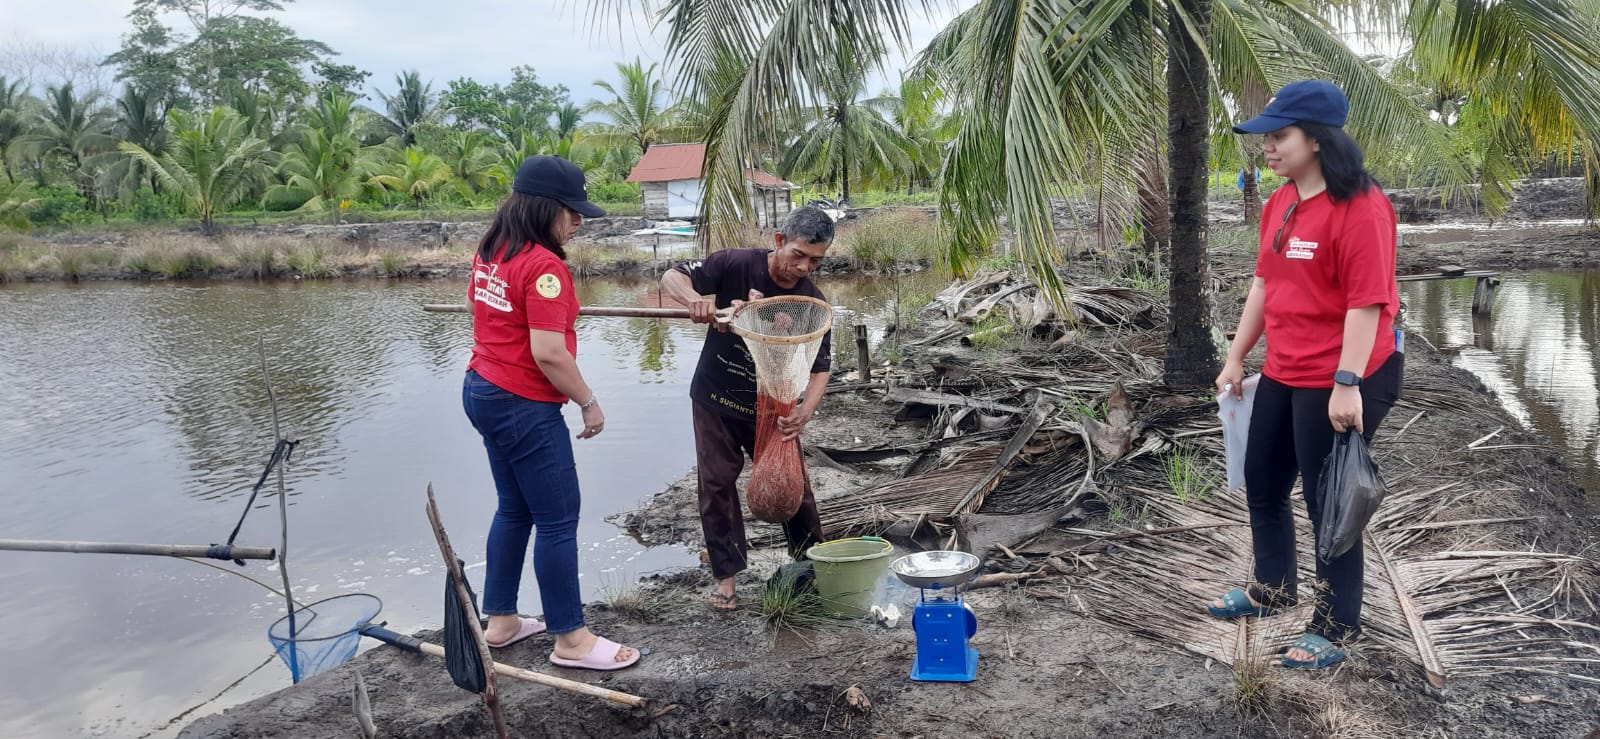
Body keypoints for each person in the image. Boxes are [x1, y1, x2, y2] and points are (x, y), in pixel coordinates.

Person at [1210, 80, 1404, 669]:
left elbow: (1367, 303)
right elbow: (1265, 286)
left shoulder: (1362, 207)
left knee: (1330, 502)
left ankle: (1337, 625)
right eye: (1265, 137)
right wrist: (1238, 355)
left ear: (1316, 138)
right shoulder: (1281, 203)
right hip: (1287, 368)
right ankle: (1271, 588)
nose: (1267, 148)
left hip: (1347, 372)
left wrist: (1347, 382)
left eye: (1279, 136)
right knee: (1263, 479)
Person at [461, 155, 639, 671]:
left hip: (482, 388)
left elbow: (478, 308)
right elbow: (549, 353)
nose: (579, 220)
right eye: (571, 210)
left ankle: (501, 622)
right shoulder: (544, 267)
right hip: (522, 403)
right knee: (558, 521)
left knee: (513, 509)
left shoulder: (493, 248)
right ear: (544, 208)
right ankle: (572, 639)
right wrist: (589, 402)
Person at [660, 207, 836, 611]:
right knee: (716, 484)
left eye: (815, 261)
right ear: (778, 241)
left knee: (795, 487)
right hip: (716, 398)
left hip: (773, 407)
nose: (804, 267)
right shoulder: (734, 263)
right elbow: (673, 274)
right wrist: (694, 301)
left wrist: (804, 412)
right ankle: (726, 579)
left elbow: (821, 368)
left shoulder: (810, 299)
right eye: (798, 255)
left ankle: (813, 564)